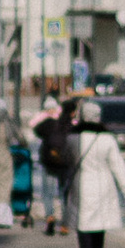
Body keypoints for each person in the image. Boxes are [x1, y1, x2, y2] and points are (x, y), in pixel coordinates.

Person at [71, 100, 125, 248]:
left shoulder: (73, 139)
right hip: (103, 189)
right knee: (99, 230)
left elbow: (65, 163)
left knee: (82, 228)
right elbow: (119, 167)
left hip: (81, 187)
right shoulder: (107, 139)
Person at [35, 100, 74, 236]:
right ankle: (64, 224)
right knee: (64, 193)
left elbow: (36, 129)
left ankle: (50, 216)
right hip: (64, 164)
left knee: (48, 192)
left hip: (49, 162)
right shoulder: (66, 124)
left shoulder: (47, 124)